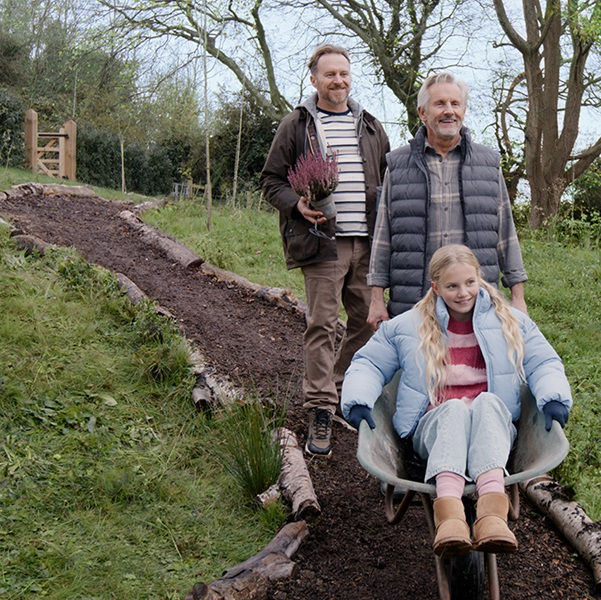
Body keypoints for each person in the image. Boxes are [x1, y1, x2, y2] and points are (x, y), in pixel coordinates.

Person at [341, 244, 571, 556]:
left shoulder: (509, 321)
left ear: (480, 278)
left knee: (488, 404)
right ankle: (449, 518)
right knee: (452, 411)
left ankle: (492, 517)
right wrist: (357, 400)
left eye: (469, 283)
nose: (463, 293)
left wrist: (553, 398)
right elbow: (368, 363)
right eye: (451, 286)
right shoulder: (407, 326)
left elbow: (543, 362)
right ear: (435, 287)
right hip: (434, 429)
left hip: (491, 428)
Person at [260, 44, 390, 457]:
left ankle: (340, 390)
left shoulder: (370, 126)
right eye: (329, 74)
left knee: (363, 322)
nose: (338, 81)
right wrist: (296, 204)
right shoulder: (296, 125)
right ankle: (319, 408)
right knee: (322, 324)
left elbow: (387, 181)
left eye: (344, 74)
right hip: (322, 241)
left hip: (366, 243)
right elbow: (271, 180)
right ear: (313, 79)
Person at [367, 71, 528, 330]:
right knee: (416, 370)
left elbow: (506, 235)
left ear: (464, 110)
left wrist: (518, 298)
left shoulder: (488, 164)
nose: (449, 111)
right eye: (440, 104)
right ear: (422, 112)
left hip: (475, 302)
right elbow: (383, 238)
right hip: (414, 302)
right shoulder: (397, 165)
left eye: (455, 104)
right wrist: (376, 299)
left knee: (471, 370)